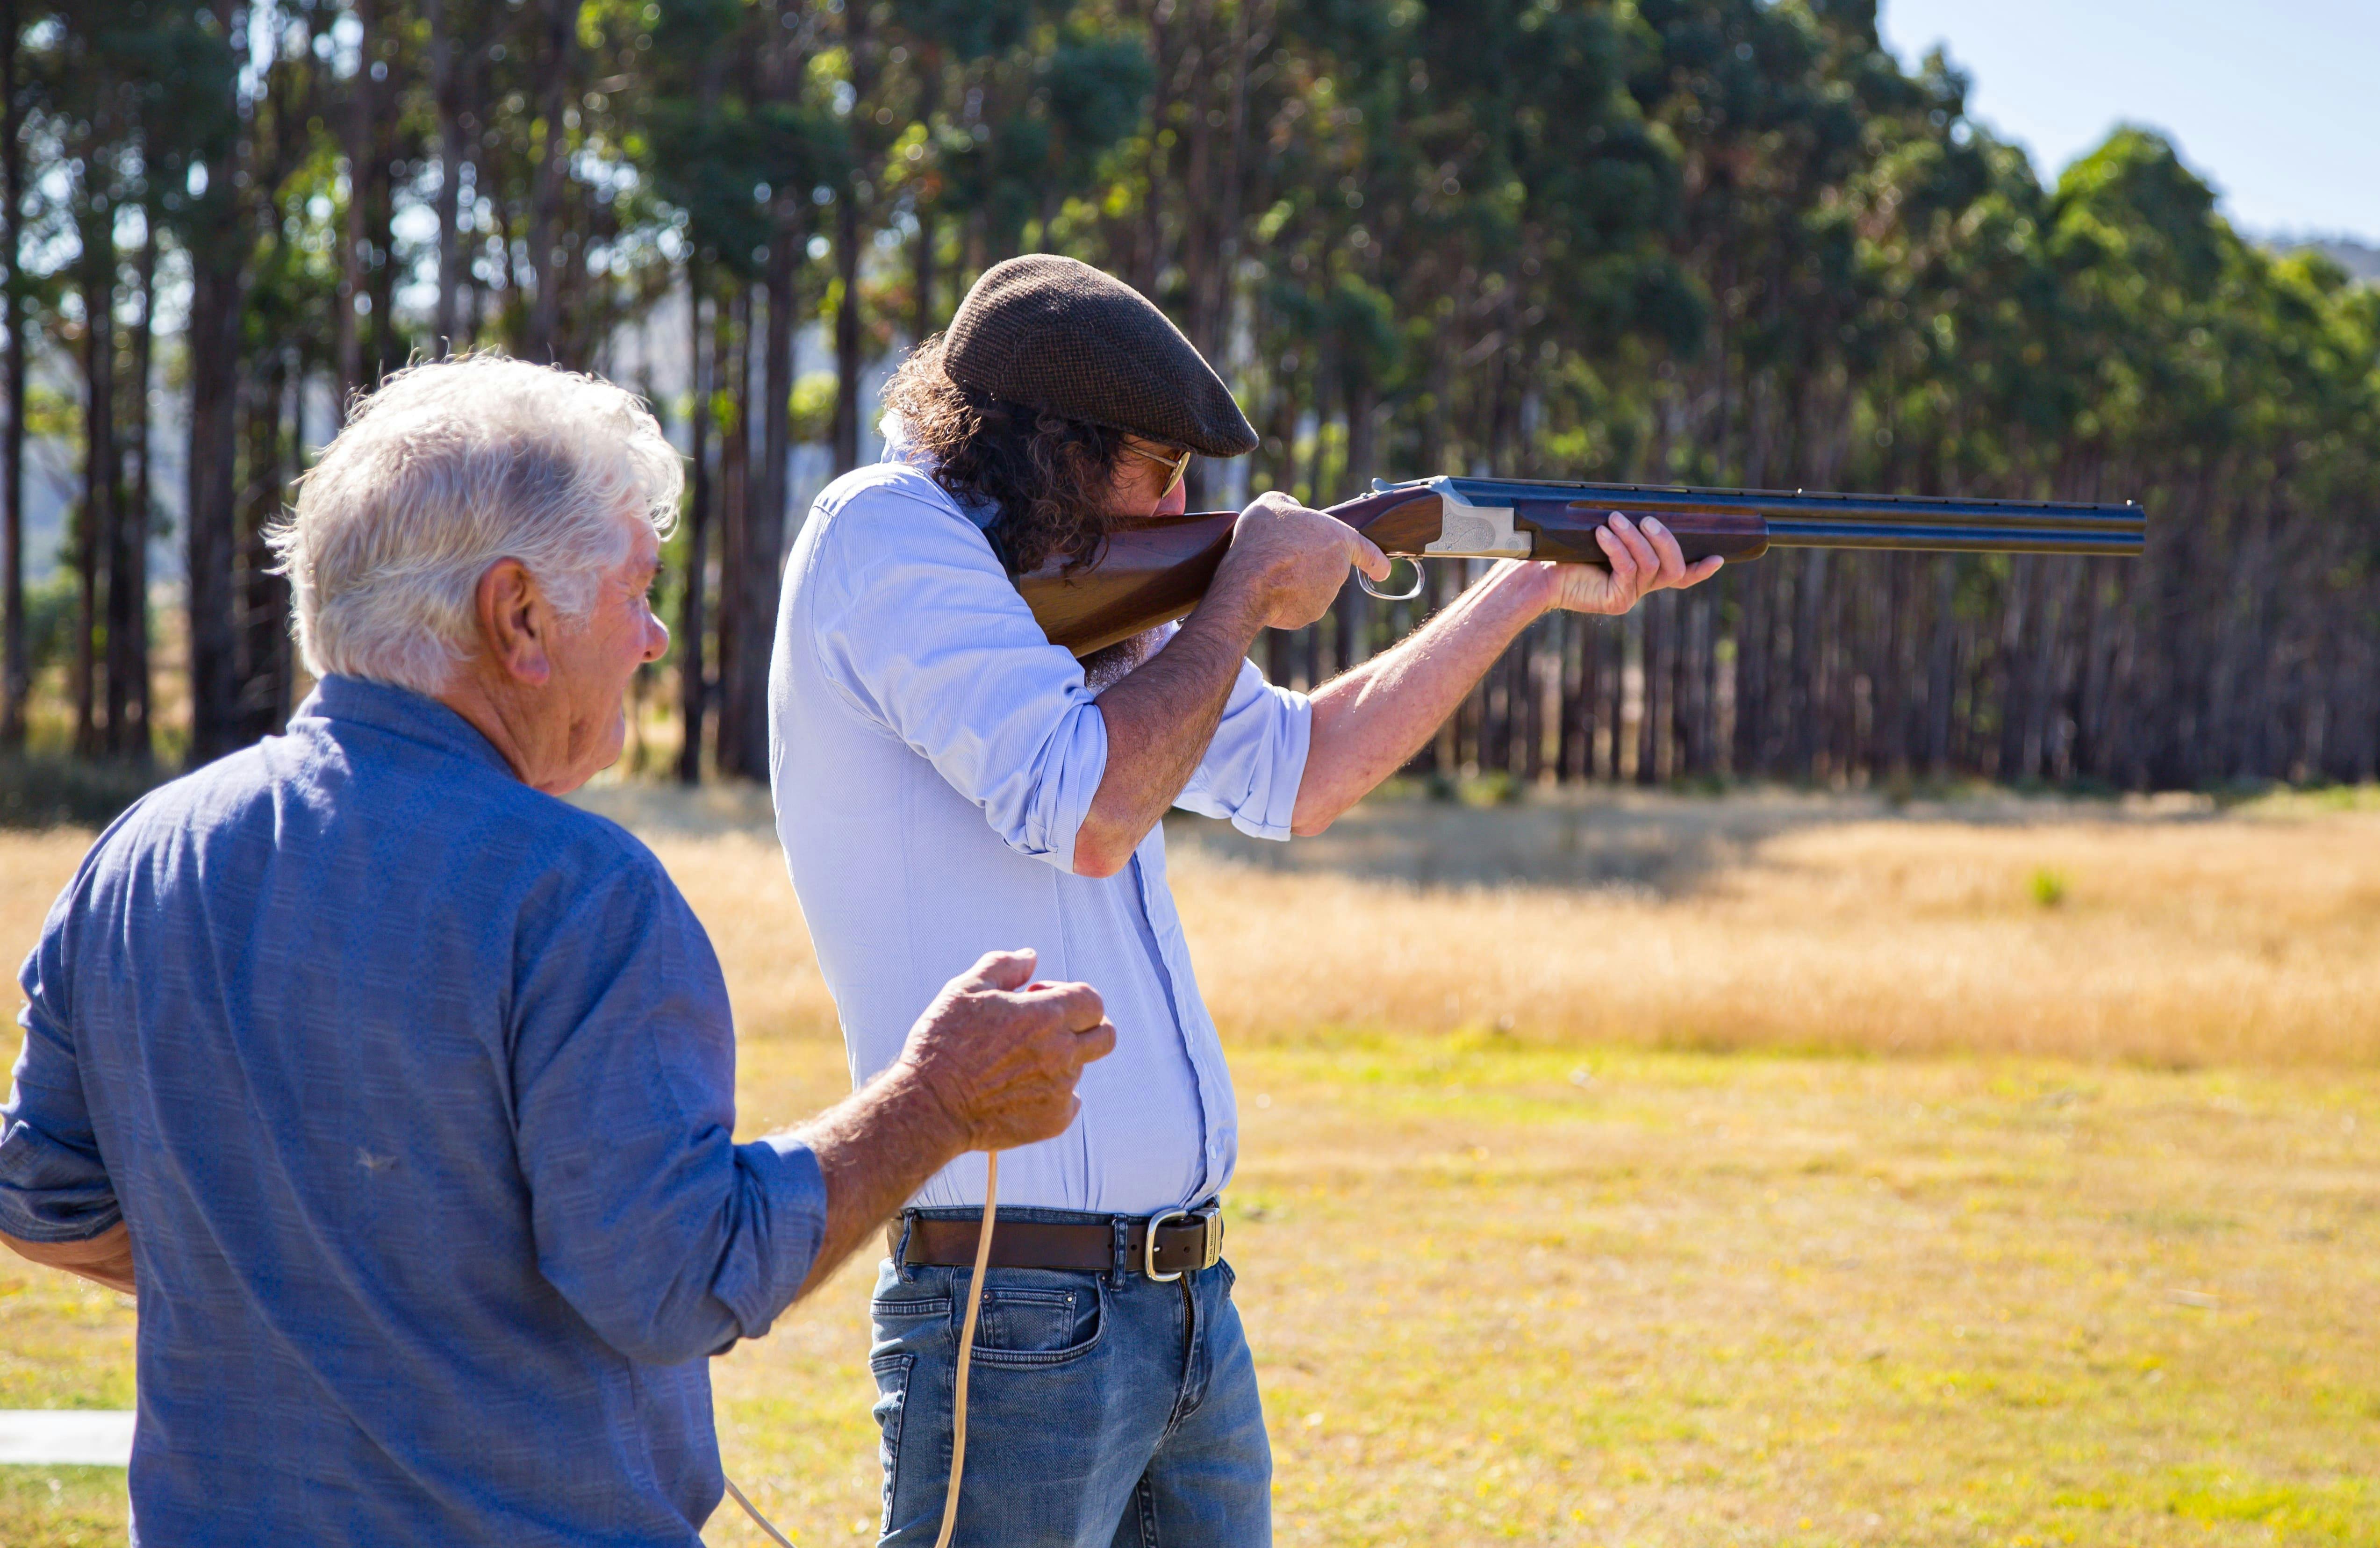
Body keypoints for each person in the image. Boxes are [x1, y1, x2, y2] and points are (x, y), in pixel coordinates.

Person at [0, 356, 1114, 1547]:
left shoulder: (140, 854)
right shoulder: (577, 894)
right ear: (519, 616)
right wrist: (934, 1101)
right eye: (637, 589)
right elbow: (678, 1280)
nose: (655, 637)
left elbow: (42, 1201)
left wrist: (292, 1288)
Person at [768, 254, 1719, 1546]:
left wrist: (1531, 584)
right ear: (1053, 449)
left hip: (1184, 1298)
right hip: (1014, 1303)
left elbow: (1304, 772)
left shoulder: (1069, 586)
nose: (1179, 506)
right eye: (1159, 469)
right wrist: (1237, 605)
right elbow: (1092, 811)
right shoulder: (887, 532)